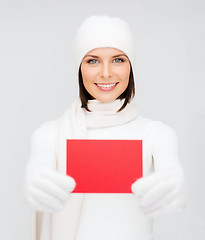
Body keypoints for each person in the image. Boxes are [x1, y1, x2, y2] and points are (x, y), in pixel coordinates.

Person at [24, 15, 187, 240]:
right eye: (93, 60)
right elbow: (39, 170)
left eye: (118, 59)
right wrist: (35, 183)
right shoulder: (49, 136)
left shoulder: (156, 135)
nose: (106, 73)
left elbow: (171, 171)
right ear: (78, 67)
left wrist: (173, 183)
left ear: (132, 65)